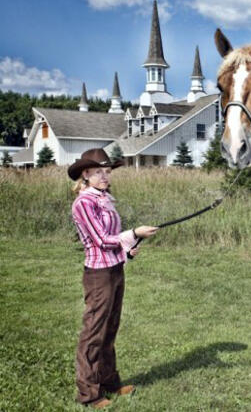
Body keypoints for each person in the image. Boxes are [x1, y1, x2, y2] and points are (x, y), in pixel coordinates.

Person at [68, 148, 158, 408]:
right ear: (86, 175)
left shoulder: (105, 198)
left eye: (107, 172)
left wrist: (127, 250)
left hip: (115, 269)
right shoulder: (84, 203)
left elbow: (114, 241)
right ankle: (89, 393)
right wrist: (134, 232)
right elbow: (100, 241)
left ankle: (109, 382)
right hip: (98, 275)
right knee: (93, 333)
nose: (106, 177)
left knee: (110, 329)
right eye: (99, 172)